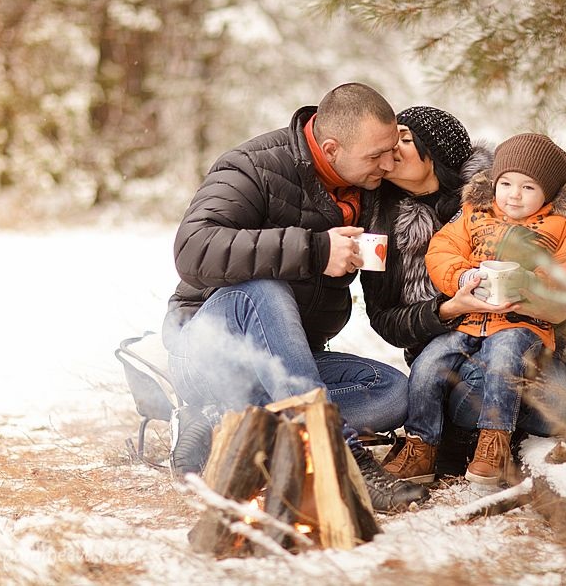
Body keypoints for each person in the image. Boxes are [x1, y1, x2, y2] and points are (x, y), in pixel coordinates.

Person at [161, 82, 428, 511]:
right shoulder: (252, 166)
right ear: (331, 146)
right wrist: (315, 250)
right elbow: (194, 250)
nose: (388, 163)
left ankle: (222, 422)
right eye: (376, 156)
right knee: (263, 289)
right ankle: (336, 452)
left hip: (286, 362)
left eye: (391, 149)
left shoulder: (370, 188)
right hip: (207, 352)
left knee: (394, 392)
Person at [359, 110, 566, 482]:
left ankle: (487, 438)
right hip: (455, 343)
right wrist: (451, 304)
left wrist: (537, 293)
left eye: (404, 139)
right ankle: (430, 442)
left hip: (521, 338)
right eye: (387, 141)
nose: (390, 148)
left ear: (437, 152)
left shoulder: (521, 197)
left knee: (556, 397)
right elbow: (387, 319)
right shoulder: (384, 219)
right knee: (447, 375)